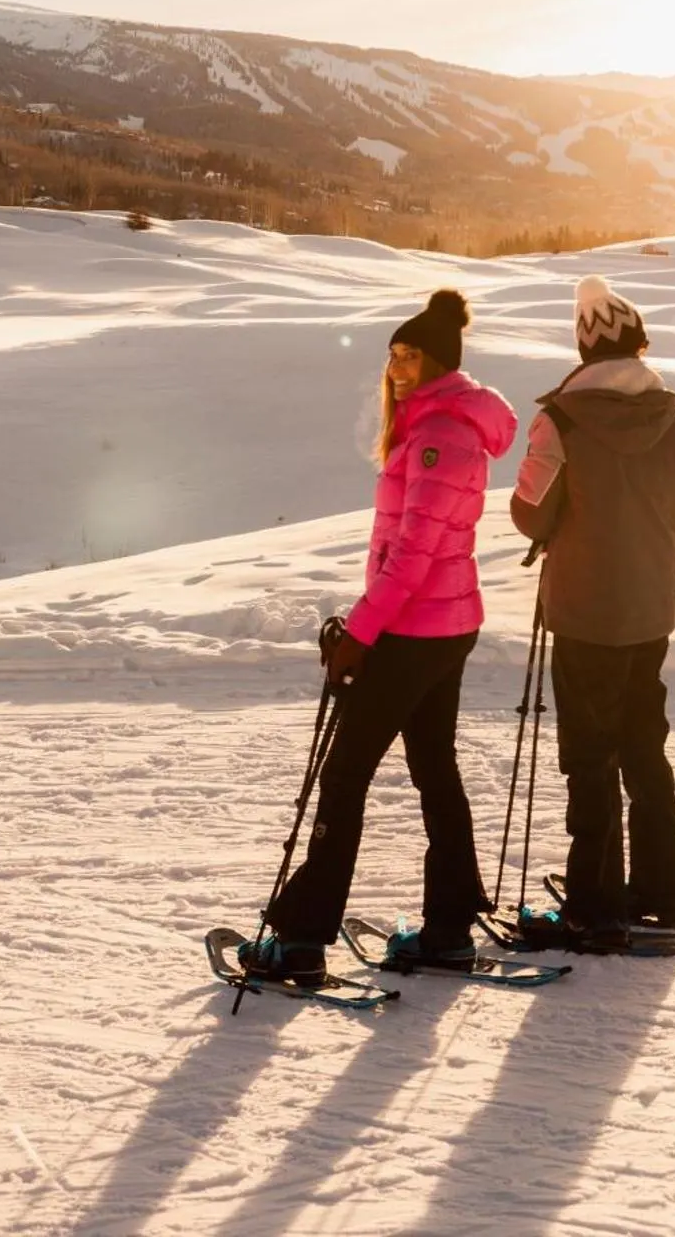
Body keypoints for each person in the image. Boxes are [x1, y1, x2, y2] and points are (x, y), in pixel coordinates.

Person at [240, 289, 517, 983]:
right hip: (445, 623)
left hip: (416, 629)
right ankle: (448, 928)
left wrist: (359, 632)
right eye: (392, 354)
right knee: (433, 769)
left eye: (408, 355)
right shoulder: (440, 424)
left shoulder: (438, 438)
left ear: (437, 361)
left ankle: (302, 939)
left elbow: (413, 556)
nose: (395, 367)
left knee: (344, 776)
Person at [510, 273, 675, 951]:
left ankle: (595, 903)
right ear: (639, 342)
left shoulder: (560, 419)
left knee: (588, 755)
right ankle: (664, 888)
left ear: (584, 351)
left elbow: (531, 513)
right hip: (652, 605)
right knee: (645, 746)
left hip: (586, 609)